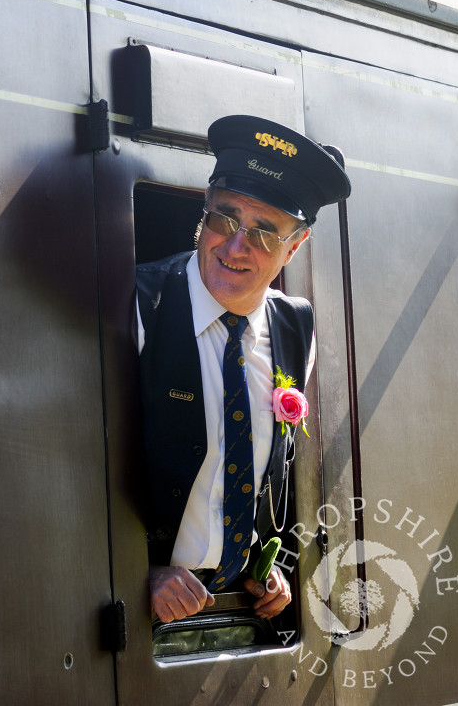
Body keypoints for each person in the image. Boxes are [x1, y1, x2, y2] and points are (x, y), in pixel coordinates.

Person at [136, 115, 350, 624]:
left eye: (264, 233)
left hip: (227, 613)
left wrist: (255, 559)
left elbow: (259, 468)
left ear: (294, 247)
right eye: (224, 219)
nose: (235, 246)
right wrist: (136, 572)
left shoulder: (295, 328)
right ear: (203, 211)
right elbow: (80, 472)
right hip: (139, 619)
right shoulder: (138, 303)